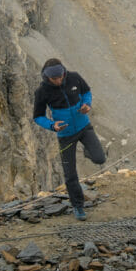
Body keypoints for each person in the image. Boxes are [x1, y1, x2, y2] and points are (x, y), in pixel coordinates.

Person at [32, 58, 106, 220]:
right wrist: (52, 125)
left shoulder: (74, 77)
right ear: (46, 77)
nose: (58, 80)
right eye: (54, 79)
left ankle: (87, 150)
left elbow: (86, 92)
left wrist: (87, 104)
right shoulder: (42, 91)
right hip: (65, 135)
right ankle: (78, 206)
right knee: (70, 173)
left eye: (60, 77)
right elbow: (37, 117)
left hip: (84, 127)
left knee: (100, 158)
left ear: (63, 72)